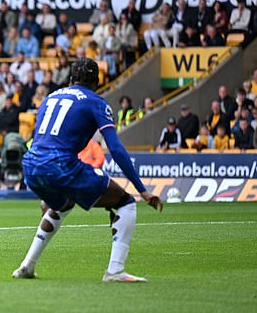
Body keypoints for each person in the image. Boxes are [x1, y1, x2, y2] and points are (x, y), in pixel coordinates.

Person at [12, 58, 162, 281]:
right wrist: (142, 189)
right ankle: (115, 271)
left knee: (63, 204)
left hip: (31, 164)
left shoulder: (50, 97)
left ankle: (27, 266)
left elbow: (43, 138)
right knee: (125, 202)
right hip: (59, 165)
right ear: (97, 81)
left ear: (71, 78)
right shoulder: (96, 102)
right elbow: (116, 149)